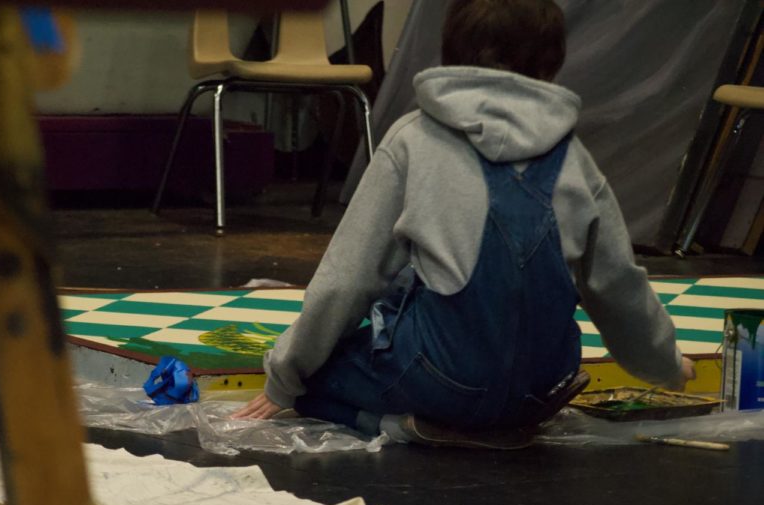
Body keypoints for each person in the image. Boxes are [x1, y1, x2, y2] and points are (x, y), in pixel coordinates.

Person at [233, 0, 695, 447]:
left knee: (317, 376)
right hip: (540, 390)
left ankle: (396, 426)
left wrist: (284, 378)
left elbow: (347, 281)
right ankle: (488, 422)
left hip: (440, 379)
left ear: (450, 51)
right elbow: (617, 286)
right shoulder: (575, 159)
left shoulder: (414, 139)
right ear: (552, 63)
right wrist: (666, 365)